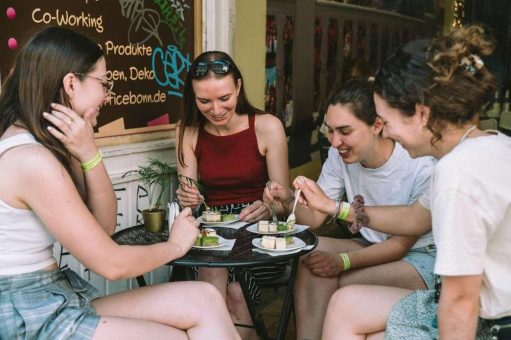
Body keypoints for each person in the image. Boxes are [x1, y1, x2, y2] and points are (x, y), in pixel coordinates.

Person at [0, 26, 239, 340]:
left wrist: (88, 152)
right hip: (26, 310)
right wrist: (176, 246)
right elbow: (111, 264)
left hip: (49, 294)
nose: (107, 94)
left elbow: (103, 226)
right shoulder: (30, 159)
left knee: (205, 299)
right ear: (71, 83)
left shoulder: (51, 143)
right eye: (103, 82)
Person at [321, 25, 511, 339]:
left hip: (491, 325)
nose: (387, 132)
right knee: (345, 304)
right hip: (485, 310)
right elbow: (413, 218)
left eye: (387, 121)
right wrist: (336, 208)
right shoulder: (487, 145)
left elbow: (461, 298)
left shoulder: (458, 175)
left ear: (421, 114)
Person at [264, 79, 436, 340]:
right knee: (310, 252)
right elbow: (315, 219)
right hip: (370, 244)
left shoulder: (418, 163)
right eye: (330, 131)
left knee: (334, 282)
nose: (335, 141)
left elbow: (400, 245)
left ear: (377, 125)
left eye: (345, 131)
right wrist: (289, 199)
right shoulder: (339, 155)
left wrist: (342, 262)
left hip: (419, 256)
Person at [175, 50, 289, 338]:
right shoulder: (188, 131)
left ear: (238, 87)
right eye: (204, 101)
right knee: (222, 282)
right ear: (193, 96)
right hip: (214, 229)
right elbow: (190, 198)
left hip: (260, 232)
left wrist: (268, 206)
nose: (215, 109)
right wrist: (187, 197)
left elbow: (285, 203)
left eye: (224, 98)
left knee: (231, 289)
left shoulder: (267, 127)